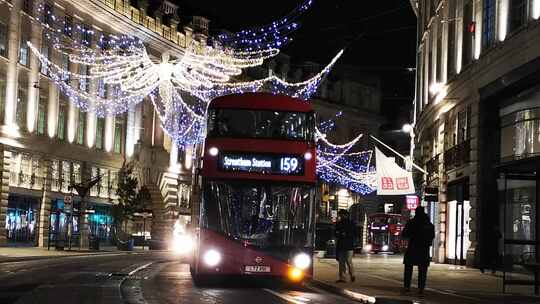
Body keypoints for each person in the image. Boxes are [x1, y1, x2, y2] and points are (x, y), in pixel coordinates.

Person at [402, 206, 435, 295]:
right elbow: (432, 236)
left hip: (413, 247)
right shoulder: (429, 224)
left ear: (416, 213)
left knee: (408, 268)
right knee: (423, 270)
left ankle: (407, 286)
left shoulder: (412, 222)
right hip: (424, 249)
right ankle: (421, 288)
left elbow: (404, 234)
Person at [335, 209, 356, 283]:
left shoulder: (351, 223)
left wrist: (344, 234)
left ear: (346, 215)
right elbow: (336, 233)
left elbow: (353, 234)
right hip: (344, 245)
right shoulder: (339, 223)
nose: (340, 216)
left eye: (342, 215)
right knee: (342, 262)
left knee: (348, 261)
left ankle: (351, 274)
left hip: (348, 245)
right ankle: (343, 277)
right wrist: (342, 234)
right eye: (340, 215)